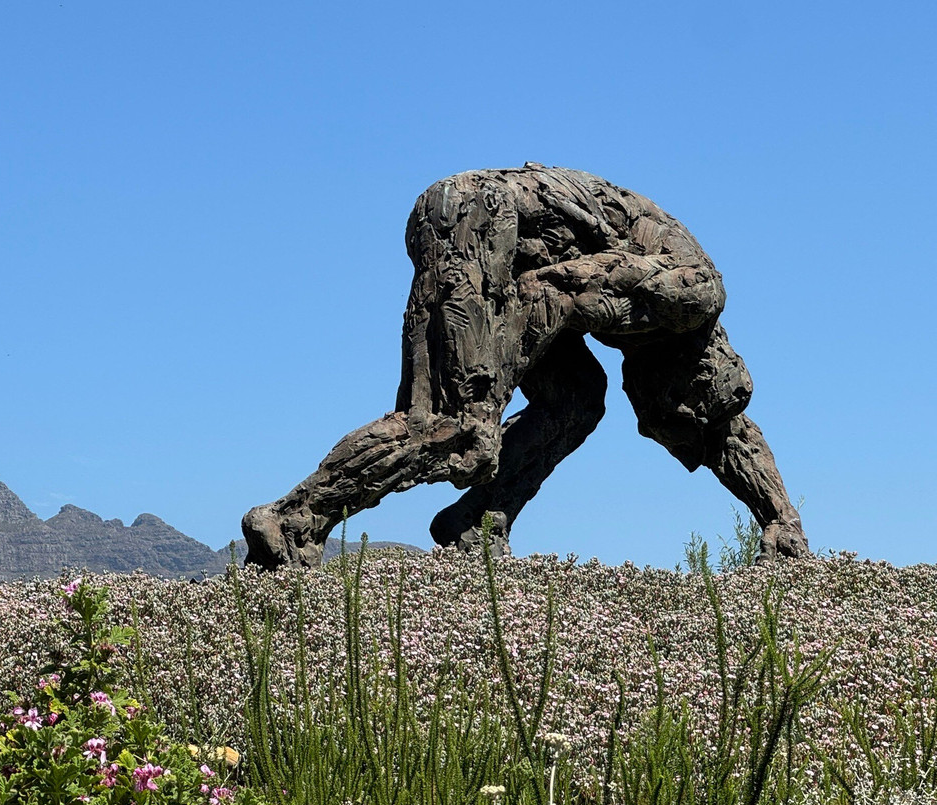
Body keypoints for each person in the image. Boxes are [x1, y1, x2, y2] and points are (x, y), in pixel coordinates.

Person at [242, 163, 808, 568]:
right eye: (669, 424)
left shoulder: (675, 334)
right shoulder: (688, 296)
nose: (649, 426)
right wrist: (486, 397)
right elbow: (558, 291)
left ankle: (479, 524)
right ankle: (293, 520)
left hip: (511, 247)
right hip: (477, 220)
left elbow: (724, 433)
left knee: (575, 402)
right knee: (458, 430)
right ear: (691, 380)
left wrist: (779, 519)